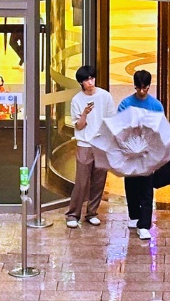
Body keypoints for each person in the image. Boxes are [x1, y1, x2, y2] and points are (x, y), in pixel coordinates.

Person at [66, 65, 116, 228]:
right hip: (85, 144)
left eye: (92, 78)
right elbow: (79, 126)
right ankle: (73, 214)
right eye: (87, 80)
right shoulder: (77, 100)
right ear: (81, 82)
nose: (90, 82)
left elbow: (111, 120)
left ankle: (92, 212)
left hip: (101, 144)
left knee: (99, 181)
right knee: (81, 181)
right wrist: (85, 113)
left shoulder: (105, 96)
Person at [117, 69, 164, 240]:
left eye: (145, 88)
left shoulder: (156, 105)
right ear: (135, 86)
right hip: (130, 151)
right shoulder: (125, 103)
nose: (142, 92)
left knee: (146, 188)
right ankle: (134, 215)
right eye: (139, 88)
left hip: (147, 152)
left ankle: (144, 224)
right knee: (131, 185)